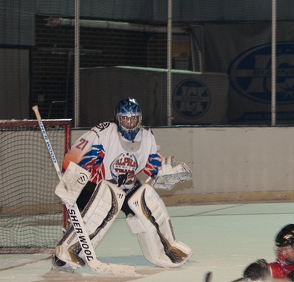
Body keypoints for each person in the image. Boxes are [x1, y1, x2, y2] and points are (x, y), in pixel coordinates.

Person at [52, 97, 193, 270]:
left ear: (139, 119)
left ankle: (166, 249)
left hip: (126, 187)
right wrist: (71, 177)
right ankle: (69, 251)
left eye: (133, 118)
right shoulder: (104, 132)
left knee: (147, 200)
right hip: (93, 187)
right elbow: (75, 154)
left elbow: (152, 164)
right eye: (125, 118)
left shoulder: (147, 136)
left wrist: (165, 174)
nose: (129, 123)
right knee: (106, 202)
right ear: (118, 119)